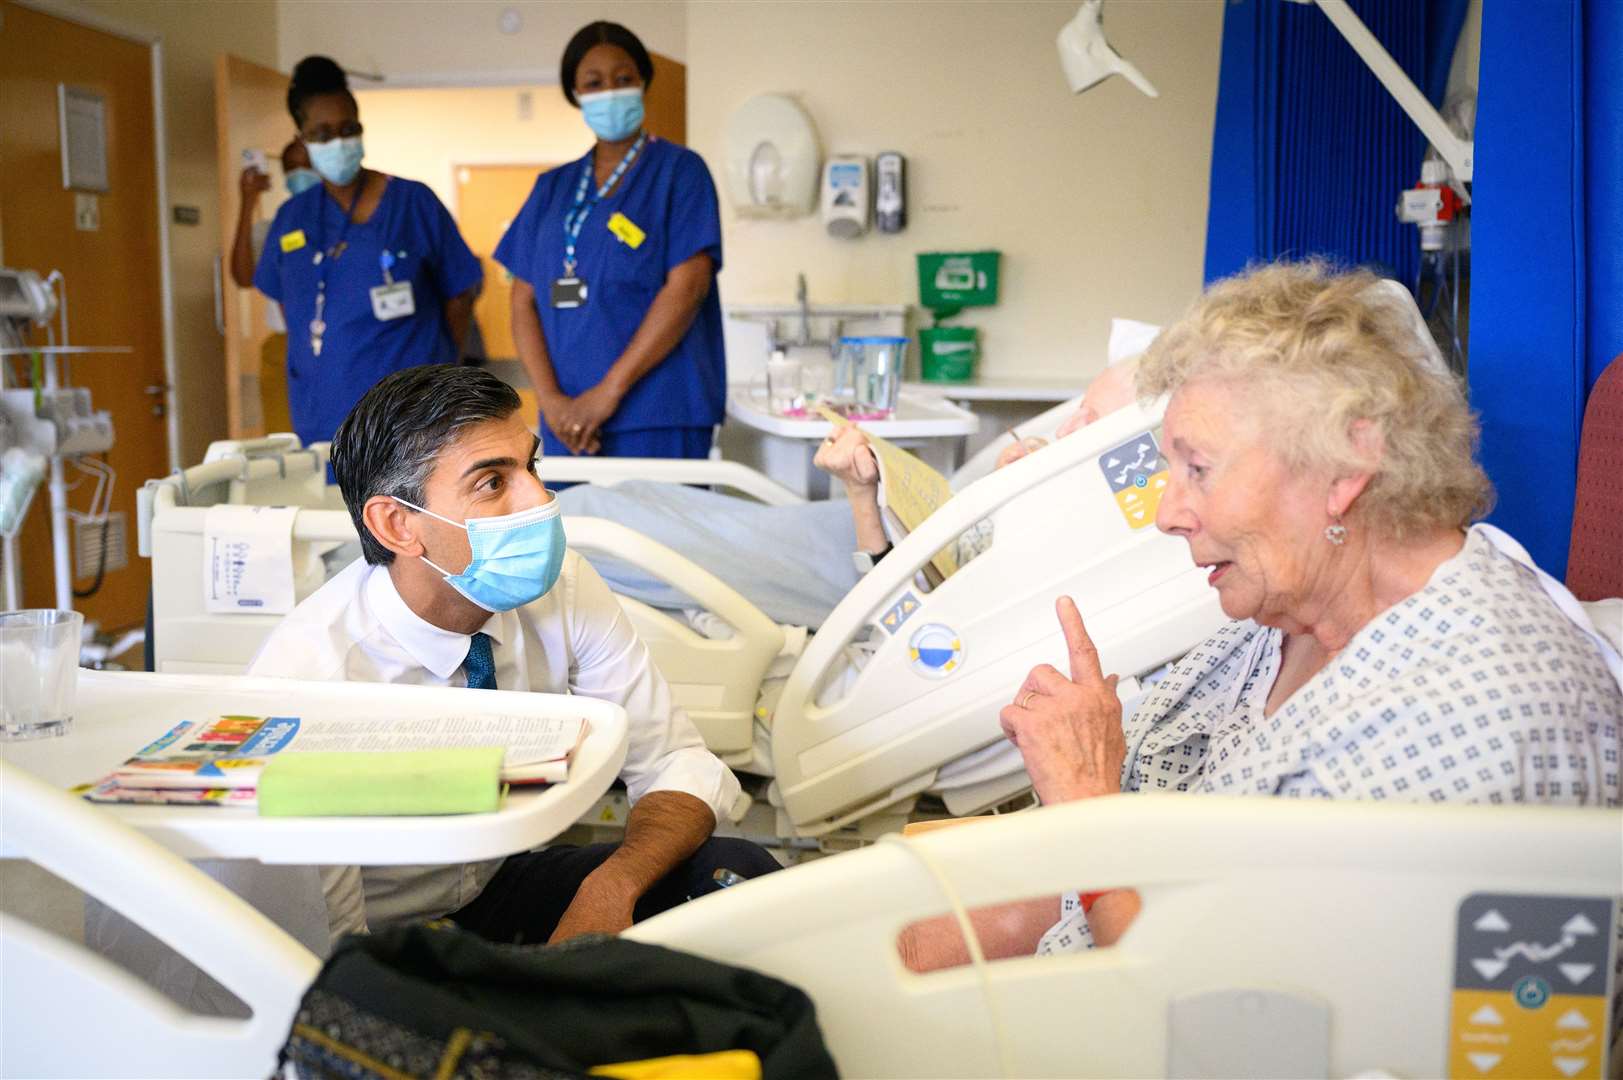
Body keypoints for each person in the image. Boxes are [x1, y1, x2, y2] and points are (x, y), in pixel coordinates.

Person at [899, 262, 1623, 971]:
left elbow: (1218, 1004)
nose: (1166, 514)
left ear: (1345, 466)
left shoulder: (1474, 719)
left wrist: (1082, 804)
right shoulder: (1282, 617)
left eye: (1198, 469)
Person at [248, 365, 780, 944]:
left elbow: (673, 760)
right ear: (398, 524)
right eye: (492, 483)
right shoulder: (311, 675)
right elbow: (322, 934)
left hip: (494, 888)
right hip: (382, 928)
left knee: (734, 877)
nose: (541, 499)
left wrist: (611, 888)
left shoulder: (564, 588)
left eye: (531, 466)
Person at [555, 358, 1142, 629]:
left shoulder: (1066, 542)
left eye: (1087, 418)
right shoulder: (1059, 490)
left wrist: (864, 493)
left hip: (840, 569)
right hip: (827, 530)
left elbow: (900, 612)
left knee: (603, 524)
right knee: (635, 497)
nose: (1064, 429)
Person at [496, 21, 725, 461]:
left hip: (658, 411)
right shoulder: (552, 188)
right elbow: (522, 299)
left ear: (643, 82)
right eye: (594, 83)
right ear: (576, 95)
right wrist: (550, 400)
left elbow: (687, 288)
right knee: (574, 530)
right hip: (566, 421)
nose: (610, 91)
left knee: (658, 529)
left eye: (623, 79)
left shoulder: (681, 172)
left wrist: (606, 394)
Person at [253, 56, 483, 447]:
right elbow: (290, 305)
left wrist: (439, 373)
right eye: (322, 134)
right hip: (323, 417)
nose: (338, 142)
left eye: (348, 129)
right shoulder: (293, 217)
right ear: (302, 139)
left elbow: (459, 294)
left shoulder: (413, 202)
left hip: (413, 419)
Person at [232, 139, 318, 435]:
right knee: (286, 440)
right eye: (291, 168)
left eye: (307, 165)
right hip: (284, 346)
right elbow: (243, 276)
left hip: (333, 345)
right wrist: (248, 202)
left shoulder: (344, 223)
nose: (300, 174)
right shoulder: (277, 225)